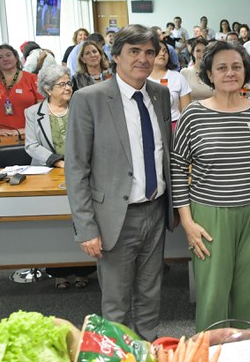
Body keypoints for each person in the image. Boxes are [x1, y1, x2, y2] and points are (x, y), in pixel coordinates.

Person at [65, 24, 174, 341]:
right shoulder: (89, 99)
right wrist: (85, 227)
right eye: (134, 51)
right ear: (115, 56)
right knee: (116, 301)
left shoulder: (160, 94)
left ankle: (147, 353)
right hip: (114, 215)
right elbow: (76, 167)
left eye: (149, 52)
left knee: (150, 292)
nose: (143, 58)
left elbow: (163, 153)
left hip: (155, 210)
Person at [171, 41, 250, 332]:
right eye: (222, 68)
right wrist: (187, 222)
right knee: (213, 294)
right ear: (209, 75)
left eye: (236, 67)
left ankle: (246, 355)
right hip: (209, 214)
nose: (230, 73)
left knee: (249, 293)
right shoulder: (194, 115)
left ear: (246, 72)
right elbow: (177, 169)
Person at [26, 64, 96, 289]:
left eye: (69, 83)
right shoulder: (32, 112)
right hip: (49, 173)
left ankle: (84, 269)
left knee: (82, 216)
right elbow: (32, 145)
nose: (68, 87)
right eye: (62, 84)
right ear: (48, 89)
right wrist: (57, 161)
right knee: (54, 219)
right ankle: (58, 271)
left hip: (84, 172)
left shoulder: (82, 106)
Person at [0, 44, 43, 136]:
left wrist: (25, 130)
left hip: (31, 133)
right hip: (0, 136)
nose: (5, 59)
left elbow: (43, 109)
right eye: (0, 57)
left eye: (8, 55)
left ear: (16, 58)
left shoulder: (33, 79)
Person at [149, 44, 192, 127]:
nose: (162, 53)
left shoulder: (178, 77)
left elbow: (186, 111)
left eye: (165, 51)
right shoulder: (142, 77)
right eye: (159, 50)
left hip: (174, 125)